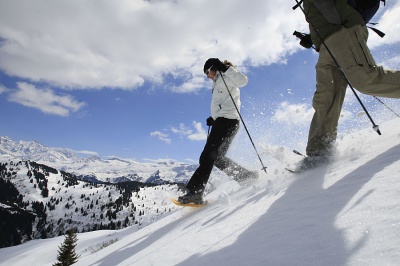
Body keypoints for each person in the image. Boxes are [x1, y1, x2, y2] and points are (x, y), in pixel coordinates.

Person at [299, 0, 400, 170]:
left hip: (343, 31)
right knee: (326, 97)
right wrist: (312, 37)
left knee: (366, 80)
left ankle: (319, 151)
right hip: (325, 45)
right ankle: (319, 154)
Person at [178, 58, 258, 204]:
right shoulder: (216, 83)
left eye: (208, 72)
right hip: (224, 122)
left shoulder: (227, 75)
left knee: (207, 156)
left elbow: (243, 81)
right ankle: (246, 177)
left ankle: (195, 192)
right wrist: (214, 119)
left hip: (228, 122)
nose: (208, 76)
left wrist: (225, 68)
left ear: (214, 67)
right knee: (218, 158)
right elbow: (224, 103)